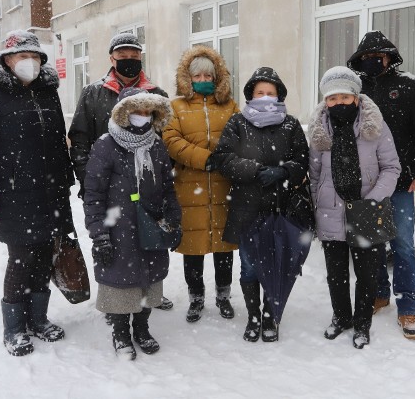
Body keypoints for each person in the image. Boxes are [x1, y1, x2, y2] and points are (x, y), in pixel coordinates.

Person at [0, 30, 74, 356]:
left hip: (51, 192)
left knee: (44, 257)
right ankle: (14, 328)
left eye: (34, 57)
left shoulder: (47, 92)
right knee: (22, 258)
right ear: (7, 61)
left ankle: (38, 320)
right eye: (21, 57)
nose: (28, 62)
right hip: (12, 195)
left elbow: (57, 140)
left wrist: (68, 179)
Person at [68, 32, 174, 311]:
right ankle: (118, 302)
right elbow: (79, 140)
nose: (129, 60)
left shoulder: (156, 95)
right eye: (122, 56)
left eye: (134, 56)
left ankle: (149, 291)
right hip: (109, 186)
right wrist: (87, 179)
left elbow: (164, 142)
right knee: (116, 246)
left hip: (146, 184)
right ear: (112, 58)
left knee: (148, 238)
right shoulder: (94, 93)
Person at [347, 30, 415, 339]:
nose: (372, 62)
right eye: (366, 58)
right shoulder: (354, 89)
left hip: (400, 182)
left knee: (402, 245)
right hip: (366, 184)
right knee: (371, 244)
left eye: (378, 57)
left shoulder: (410, 86)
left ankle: (408, 306)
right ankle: (379, 294)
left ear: (389, 57)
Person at [83, 87, 181, 360]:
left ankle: (141, 328)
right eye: (137, 110)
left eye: (148, 111)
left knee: (150, 281)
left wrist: (173, 219)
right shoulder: (105, 145)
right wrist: (99, 234)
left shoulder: (157, 145)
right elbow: (93, 194)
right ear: (124, 112)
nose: (143, 116)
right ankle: (121, 333)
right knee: (119, 283)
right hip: (118, 228)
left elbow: (168, 188)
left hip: (151, 226)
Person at [213, 67, 309, 342]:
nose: (265, 97)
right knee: (250, 266)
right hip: (247, 208)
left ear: (279, 95)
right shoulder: (237, 123)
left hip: (282, 208)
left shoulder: (290, 124)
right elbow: (224, 159)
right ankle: (253, 316)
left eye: (270, 93)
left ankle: (270, 315)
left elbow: (303, 160)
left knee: (276, 263)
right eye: (260, 92)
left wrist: (284, 171)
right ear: (251, 95)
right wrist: (254, 170)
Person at [308, 66, 401, 349]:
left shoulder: (375, 126)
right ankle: (341, 318)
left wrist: (373, 200)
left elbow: (391, 167)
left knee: (367, 274)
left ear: (356, 98)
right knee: (336, 274)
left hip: (367, 210)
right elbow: (313, 174)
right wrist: (316, 205)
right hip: (330, 210)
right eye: (332, 99)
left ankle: (362, 324)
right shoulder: (319, 130)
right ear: (326, 101)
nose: (339, 104)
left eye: (344, 98)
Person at [162, 46, 240, 323]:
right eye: (198, 75)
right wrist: (205, 159)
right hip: (188, 187)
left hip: (223, 187)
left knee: (223, 247)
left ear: (218, 77)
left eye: (209, 74)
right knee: (192, 248)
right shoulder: (176, 107)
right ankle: (196, 297)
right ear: (188, 79)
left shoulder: (229, 105)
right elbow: (171, 140)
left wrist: (224, 158)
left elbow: (239, 136)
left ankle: (223, 295)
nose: (203, 79)